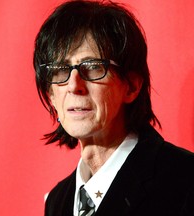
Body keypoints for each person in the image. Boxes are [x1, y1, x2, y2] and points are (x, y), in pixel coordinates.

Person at [33, 0, 194, 215]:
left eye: (92, 67)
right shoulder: (57, 200)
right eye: (60, 70)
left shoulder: (186, 181)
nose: (73, 85)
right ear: (51, 95)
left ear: (131, 86)